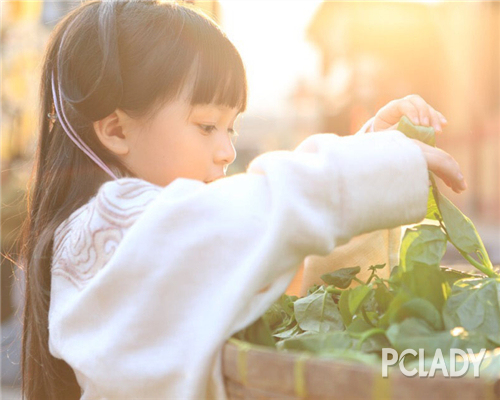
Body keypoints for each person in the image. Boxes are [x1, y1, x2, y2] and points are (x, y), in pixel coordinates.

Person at [17, 1, 467, 399]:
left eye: (231, 128)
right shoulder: (106, 229)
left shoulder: (142, 234)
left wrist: (370, 153)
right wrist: (368, 165)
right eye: (207, 125)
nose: (227, 150)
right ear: (116, 130)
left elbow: (283, 267)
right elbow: (250, 212)